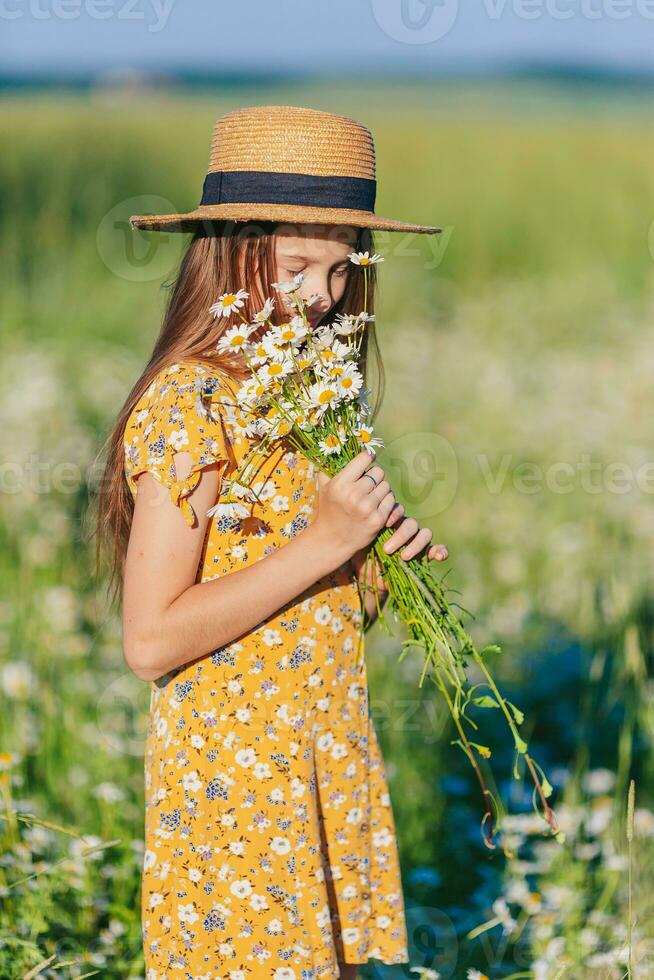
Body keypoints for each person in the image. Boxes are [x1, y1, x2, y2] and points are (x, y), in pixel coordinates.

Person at [97, 105, 448, 980]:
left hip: (321, 760)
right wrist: (325, 539)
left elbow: (303, 612)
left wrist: (370, 564)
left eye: (340, 270)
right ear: (230, 250)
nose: (323, 297)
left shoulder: (305, 402)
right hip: (237, 787)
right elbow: (151, 640)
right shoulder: (192, 406)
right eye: (296, 265)